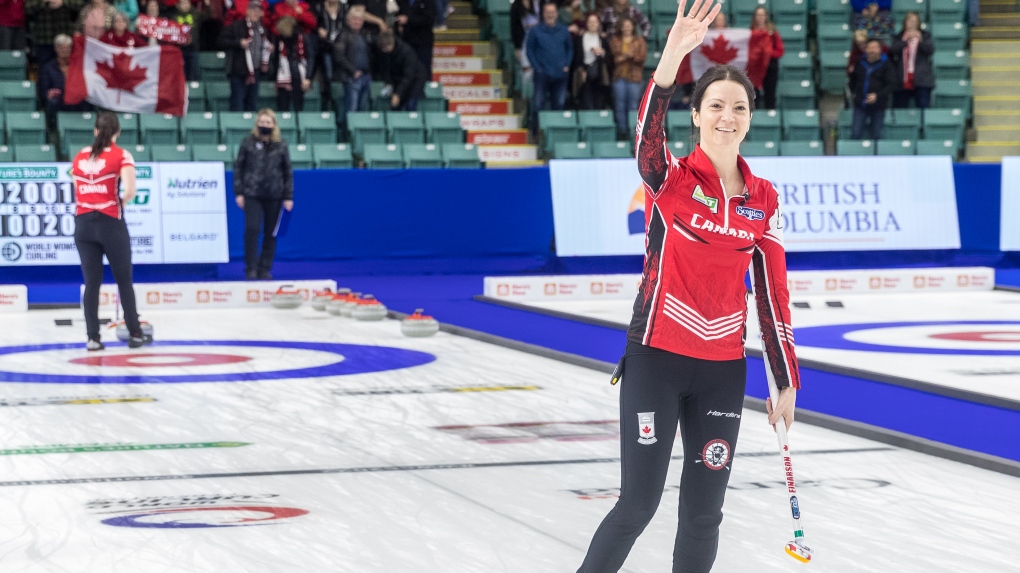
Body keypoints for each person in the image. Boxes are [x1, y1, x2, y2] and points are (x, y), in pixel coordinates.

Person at [576, 0, 801, 570]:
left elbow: (773, 293)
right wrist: (672, 58)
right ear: (697, 115)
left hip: (723, 370)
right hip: (655, 360)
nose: (729, 116)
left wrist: (785, 380)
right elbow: (647, 135)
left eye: (740, 107)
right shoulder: (669, 178)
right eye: (717, 105)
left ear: (751, 117)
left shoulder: (765, 198)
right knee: (638, 505)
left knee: (704, 515)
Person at [71, 112, 153, 352]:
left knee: (92, 283)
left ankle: (93, 338)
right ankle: (135, 333)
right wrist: (120, 205)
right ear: (117, 132)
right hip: (110, 221)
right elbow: (130, 191)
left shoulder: (80, 156)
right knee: (123, 279)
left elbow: (78, 188)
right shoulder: (122, 155)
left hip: (83, 223)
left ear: (96, 131)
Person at [234, 109, 294, 281]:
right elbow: (239, 168)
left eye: (268, 123)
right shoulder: (247, 143)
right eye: (262, 122)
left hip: (274, 194)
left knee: (271, 233)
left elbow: (287, 172)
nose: (264, 125)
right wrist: (239, 192)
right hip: (252, 193)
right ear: (257, 124)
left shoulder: (281, 145)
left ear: (273, 125)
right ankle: (250, 268)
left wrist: (288, 196)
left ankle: (264, 268)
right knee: (252, 229)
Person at [526, 2, 573, 133]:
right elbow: (530, 50)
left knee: (559, 105)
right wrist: (537, 67)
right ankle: (535, 133)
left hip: (560, 75)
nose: (550, 15)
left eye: (552, 12)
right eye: (547, 12)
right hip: (542, 75)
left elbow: (570, 49)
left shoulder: (564, 30)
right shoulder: (535, 31)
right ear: (543, 14)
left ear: (557, 14)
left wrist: (567, 65)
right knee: (538, 105)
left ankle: (555, 135)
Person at [219, 0, 272, 112]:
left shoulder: (263, 30)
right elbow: (221, 41)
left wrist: (270, 48)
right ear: (247, 11)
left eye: (258, 10)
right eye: (253, 10)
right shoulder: (236, 25)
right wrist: (238, 43)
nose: (255, 13)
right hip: (238, 71)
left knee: (252, 104)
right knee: (237, 103)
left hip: (256, 72)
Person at [39, 33, 92, 130]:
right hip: (59, 99)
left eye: (67, 48)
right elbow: (43, 91)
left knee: (89, 101)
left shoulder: (77, 66)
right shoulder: (48, 68)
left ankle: (86, 129)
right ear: (56, 48)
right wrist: (48, 94)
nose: (65, 50)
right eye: (61, 48)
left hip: (76, 98)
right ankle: (56, 132)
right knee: (52, 102)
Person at [849, 37, 896, 140]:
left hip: (879, 106)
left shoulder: (887, 65)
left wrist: (877, 96)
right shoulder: (859, 63)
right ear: (866, 49)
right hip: (860, 105)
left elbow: (891, 85)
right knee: (855, 134)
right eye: (870, 48)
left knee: (876, 135)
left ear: (880, 49)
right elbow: (853, 81)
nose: (872, 50)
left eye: (875, 47)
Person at [333, 6, 376, 113]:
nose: (357, 22)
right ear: (348, 20)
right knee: (352, 109)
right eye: (354, 19)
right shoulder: (343, 35)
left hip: (366, 75)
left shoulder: (366, 35)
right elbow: (338, 56)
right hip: (352, 77)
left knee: (363, 109)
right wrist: (353, 71)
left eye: (359, 19)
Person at [609, 17, 645, 136]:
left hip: (634, 77)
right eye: (624, 25)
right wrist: (628, 56)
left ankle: (634, 132)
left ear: (633, 27)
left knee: (633, 105)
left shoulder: (639, 41)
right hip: (619, 76)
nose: (626, 28)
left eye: (629, 25)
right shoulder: (615, 40)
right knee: (619, 104)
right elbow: (614, 58)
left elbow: (641, 57)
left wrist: (626, 57)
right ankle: (623, 131)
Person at [890, 12, 934, 109]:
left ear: (919, 24)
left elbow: (930, 51)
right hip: (901, 79)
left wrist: (921, 40)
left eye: (915, 21)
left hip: (922, 79)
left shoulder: (925, 35)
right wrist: (905, 41)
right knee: (900, 108)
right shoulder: (898, 36)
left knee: (923, 108)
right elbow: (893, 51)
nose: (912, 23)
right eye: (910, 21)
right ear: (905, 22)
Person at [378, 30, 427, 111]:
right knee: (395, 106)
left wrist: (398, 94)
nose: (384, 50)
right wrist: (388, 82)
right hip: (400, 79)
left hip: (415, 80)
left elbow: (408, 76)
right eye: (382, 48)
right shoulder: (385, 53)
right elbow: (386, 69)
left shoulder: (407, 52)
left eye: (386, 48)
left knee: (410, 105)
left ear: (392, 44)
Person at [571, 12, 611, 109]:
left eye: (595, 22)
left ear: (598, 24)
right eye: (590, 22)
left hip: (599, 74)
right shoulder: (580, 39)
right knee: (586, 102)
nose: (592, 24)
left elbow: (609, 58)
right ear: (587, 23)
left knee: (599, 102)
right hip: (584, 74)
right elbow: (576, 57)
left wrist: (602, 52)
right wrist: (581, 71)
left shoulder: (602, 39)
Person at [274, 15, 313, 111]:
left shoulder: (303, 38)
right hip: (283, 74)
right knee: (282, 104)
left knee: (298, 104)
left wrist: (308, 77)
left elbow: (311, 58)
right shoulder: (279, 39)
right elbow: (275, 59)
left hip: (299, 74)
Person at [26, 0, 82, 67]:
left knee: (69, 70)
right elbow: (27, 9)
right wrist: (43, 2)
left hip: (65, 40)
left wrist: (62, 2)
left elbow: (80, 5)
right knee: (44, 70)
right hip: (44, 39)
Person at [748, 6, 782, 110]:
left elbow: (780, 50)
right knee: (754, 94)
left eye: (762, 15)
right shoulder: (751, 32)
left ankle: (770, 117)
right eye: (758, 15)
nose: (760, 17)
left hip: (770, 66)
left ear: (766, 16)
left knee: (770, 93)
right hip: (755, 67)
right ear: (755, 17)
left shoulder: (772, 32)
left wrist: (768, 53)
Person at [166, 0, 206, 80]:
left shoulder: (195, 14)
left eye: (187, 3)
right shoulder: (173, 16)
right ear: (178, 5)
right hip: (178, 50)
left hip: (193, 49)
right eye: (183, 3)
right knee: (180, 76)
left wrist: (207, 5)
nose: (186, 5)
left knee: (192, 75)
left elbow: (207, 16)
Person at [316, 0, 346, 105]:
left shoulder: (344, 8)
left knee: (340, 76)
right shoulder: (319, 7)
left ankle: (338, 102)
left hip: (341, 47)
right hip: (326, 46)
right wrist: (319, 30)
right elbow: (315, 24)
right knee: (328, 75)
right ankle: (328, 101)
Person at [396, 0, 436, 73]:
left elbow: (429, 18)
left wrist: (409, 20)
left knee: (423, 69)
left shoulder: (428, 2)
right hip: (406, 41)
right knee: (407, 69)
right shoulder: (402, 1)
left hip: (423, 42)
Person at [511, 0, 541, 78]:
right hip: (525, 37)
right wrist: (517, 47)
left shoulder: (537, 3)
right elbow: (514, 27)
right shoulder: (515, 6)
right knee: (527, 68)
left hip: (539, 35)